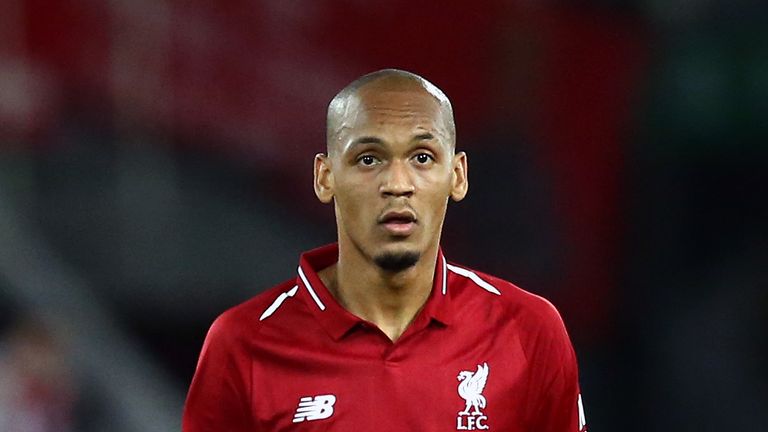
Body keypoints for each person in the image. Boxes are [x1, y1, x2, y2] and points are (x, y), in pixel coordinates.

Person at [182, 69, 587, 431]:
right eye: (369, 158)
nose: (397, 183)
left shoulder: (528, 330)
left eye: (422, 157)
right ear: (325, 177)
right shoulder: (243, 344)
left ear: (458, 175)